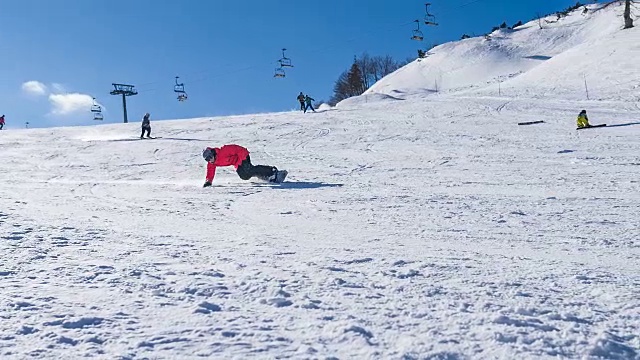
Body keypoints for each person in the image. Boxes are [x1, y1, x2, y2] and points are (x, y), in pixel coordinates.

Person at [202, 144, 281, 187]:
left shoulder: (224, 150)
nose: (210, 160)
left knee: (248, 170)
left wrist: (243, 159)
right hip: (237, 163)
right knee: (244, 176)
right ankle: (264, 176)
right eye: (207, 159)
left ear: (212, 153)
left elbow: (238, 149)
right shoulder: (212, 163)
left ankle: (272, 171)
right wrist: (208, 182)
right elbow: (210, 173)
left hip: (243, 156)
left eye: (210, 157)